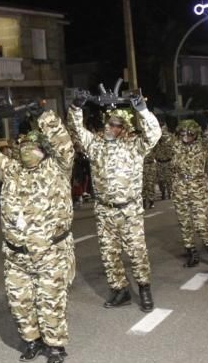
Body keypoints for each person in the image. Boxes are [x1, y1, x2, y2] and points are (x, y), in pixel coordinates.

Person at [0, 103, 75, 363]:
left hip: (49, 252)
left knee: (50, 300)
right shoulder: (11, 171)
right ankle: (32, 340)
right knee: (19, 301)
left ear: (43, 149)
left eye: (33, 145)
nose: (26, 149)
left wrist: (42, 114)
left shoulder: (57, 168)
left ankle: (55, 346)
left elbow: (63, 141)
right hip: (16, 254)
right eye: (23, 146)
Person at [67, 93, 162, 311]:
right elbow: (76, 131)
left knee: (137, 252)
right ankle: (120, 291)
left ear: (125, 128)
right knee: (109, 254)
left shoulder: (135, 146)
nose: (112, 128)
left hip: (129, 209)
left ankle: (144, 289)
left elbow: (154, 133)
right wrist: (75, 107)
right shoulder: (95, 145)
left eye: (118, 125)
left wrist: (143, 110)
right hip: (104, 210)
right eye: (110, 124)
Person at [172, 120, 208, 268]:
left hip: (198, 189)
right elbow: (161, 135)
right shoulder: (176, 145)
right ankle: (192, 254)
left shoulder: (202, 145)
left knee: (201, 224)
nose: (185, 136)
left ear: (196, 134)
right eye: (182, 133)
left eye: (190, 134)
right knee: (185, 223)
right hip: (180, 188)